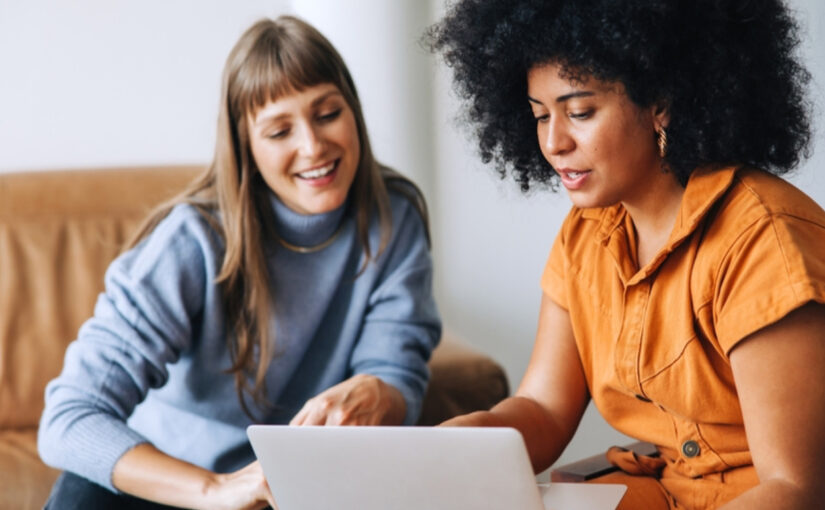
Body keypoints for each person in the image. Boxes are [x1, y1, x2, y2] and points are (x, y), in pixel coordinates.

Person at [428, 0, 825, 508]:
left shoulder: (762, 242)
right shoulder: (585, 235)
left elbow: (795, 487)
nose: (554, 142)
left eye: (579, 112)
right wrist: (466, 440)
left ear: (659, 100)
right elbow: (545, 408)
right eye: (539, 115)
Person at [38, 15, 440, 510]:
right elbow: (69, 420)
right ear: (245, 146)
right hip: (165, 483)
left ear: (353, 110)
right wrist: (215, 489)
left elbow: (397, 372)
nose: (313, 146)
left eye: (327, 113)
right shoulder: (191, 240)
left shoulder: (393, 215)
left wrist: (381, 390)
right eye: (279, 131)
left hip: (287, 486)